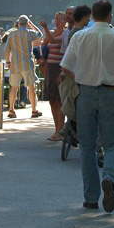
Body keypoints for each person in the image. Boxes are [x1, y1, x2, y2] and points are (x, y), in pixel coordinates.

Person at [60, 0, 114, 213]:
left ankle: (91, 197)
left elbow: (66, 66)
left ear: (92, 15)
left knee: (87, 147)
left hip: (85, 92)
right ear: (110, 16)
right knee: (112, 144)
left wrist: (81, 77)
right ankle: (109, 178)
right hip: (111, 93)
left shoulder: (80, 36)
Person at [6, 14, 43, 119]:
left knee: (14, 87)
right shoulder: (29, 33)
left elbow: (7, 50)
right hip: (27, 63)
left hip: (15, 64)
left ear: (18, 23)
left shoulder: (11, 34)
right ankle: (34, 110)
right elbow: (40, 35)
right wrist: (31, 24)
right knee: (31, 87)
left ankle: (11, 110)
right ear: (27, 24)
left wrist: (8, 62)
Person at [41, 12, 67, 141]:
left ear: (65, 21)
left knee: (59, 100)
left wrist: (45, 29)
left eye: (61, 19)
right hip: (49, 67)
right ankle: (56, 129)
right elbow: (45, 43)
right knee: (52, 100)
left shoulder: (64, 34)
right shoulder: (52, 32)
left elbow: (51, 40)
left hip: (58, 67)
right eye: (57, 19)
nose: (58, 21)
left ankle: (60, 130)